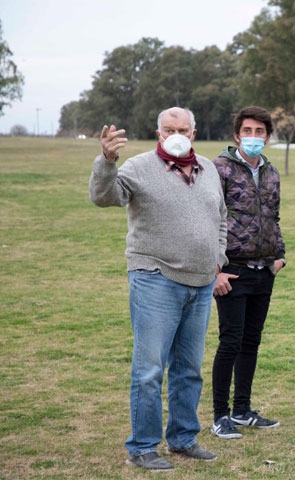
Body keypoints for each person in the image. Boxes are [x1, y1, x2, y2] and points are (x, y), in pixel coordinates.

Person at [89, 107, 228, 470]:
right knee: (149, 369)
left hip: (200, 283)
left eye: (183, 129)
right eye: (169, 129)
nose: (176, 134)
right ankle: (142, 447)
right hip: (155, 278)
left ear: (194, 133)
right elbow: (104, 197)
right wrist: (107, 160)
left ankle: (183, 439)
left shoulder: (209, 169)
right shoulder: (137, 167)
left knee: (188, 368)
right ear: (159, 133)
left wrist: (219, 257)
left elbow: (222, 217)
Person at [210, 106, 286, 439]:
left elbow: (274, 217)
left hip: (263, 271)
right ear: (236, 135)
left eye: (260, 132)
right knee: (230, 342)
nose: (253, 137)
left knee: (251, 343)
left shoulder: (270, 172)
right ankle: (219, 415)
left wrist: (279, 256)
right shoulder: (219, 169)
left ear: (267, 136)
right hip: (232, 272)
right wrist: (216, 271)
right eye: (248, 131)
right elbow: (208, 221)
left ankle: (242, 410)